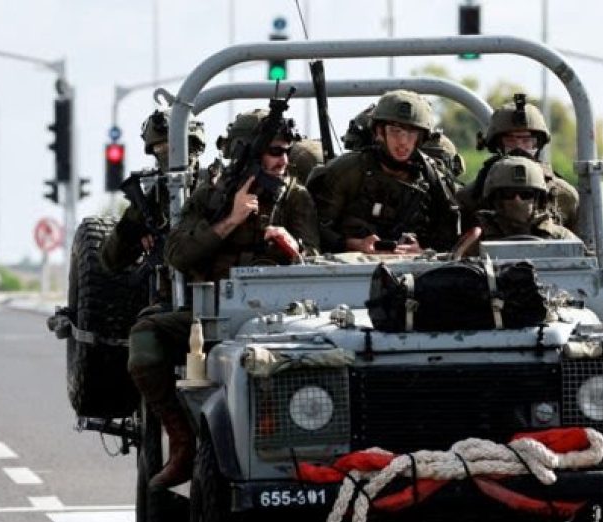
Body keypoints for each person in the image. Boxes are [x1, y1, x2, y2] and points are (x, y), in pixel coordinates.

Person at [129, 108, 319, 489]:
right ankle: (182, 441)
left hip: (282, 321)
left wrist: (290, 246)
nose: (284, 161)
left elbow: (316, 261)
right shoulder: (210, 194)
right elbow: (177, 255)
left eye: (286, 152)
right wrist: (230, 220)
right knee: (145, 336)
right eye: (274, 153)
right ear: (247, 153)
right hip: (213, 317)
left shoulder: (295, 198)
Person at [311, 90, 460, 255]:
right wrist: (352, 244)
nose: (403, 142)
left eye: (411, 132)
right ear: (380, 132)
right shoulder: (348, 171)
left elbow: (449, 237)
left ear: (421, 138)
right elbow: (314, 228)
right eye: (395, 131)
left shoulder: (432, 179)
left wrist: (423, 249)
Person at [99, 109, 206, 277]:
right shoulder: (156, 198)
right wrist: (135, 234)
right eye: (159, 147)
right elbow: (110, 260)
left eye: (172, 146)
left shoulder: (217, 186)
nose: (167, 153)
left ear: (193, 145)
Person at [457, 93, 579, 231]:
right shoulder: (470, 196)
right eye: (510, 141)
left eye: (527, 141)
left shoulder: (565, 196)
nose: (519, 148)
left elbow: (583, 247)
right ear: (497, 145)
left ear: (538, 144)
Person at [476, 155, 581, 242]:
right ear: (495, 199)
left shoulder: (561, 238)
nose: (517, 200)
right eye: (508, 194)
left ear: (538, 199)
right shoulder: (478, 237)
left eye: (526, 194)